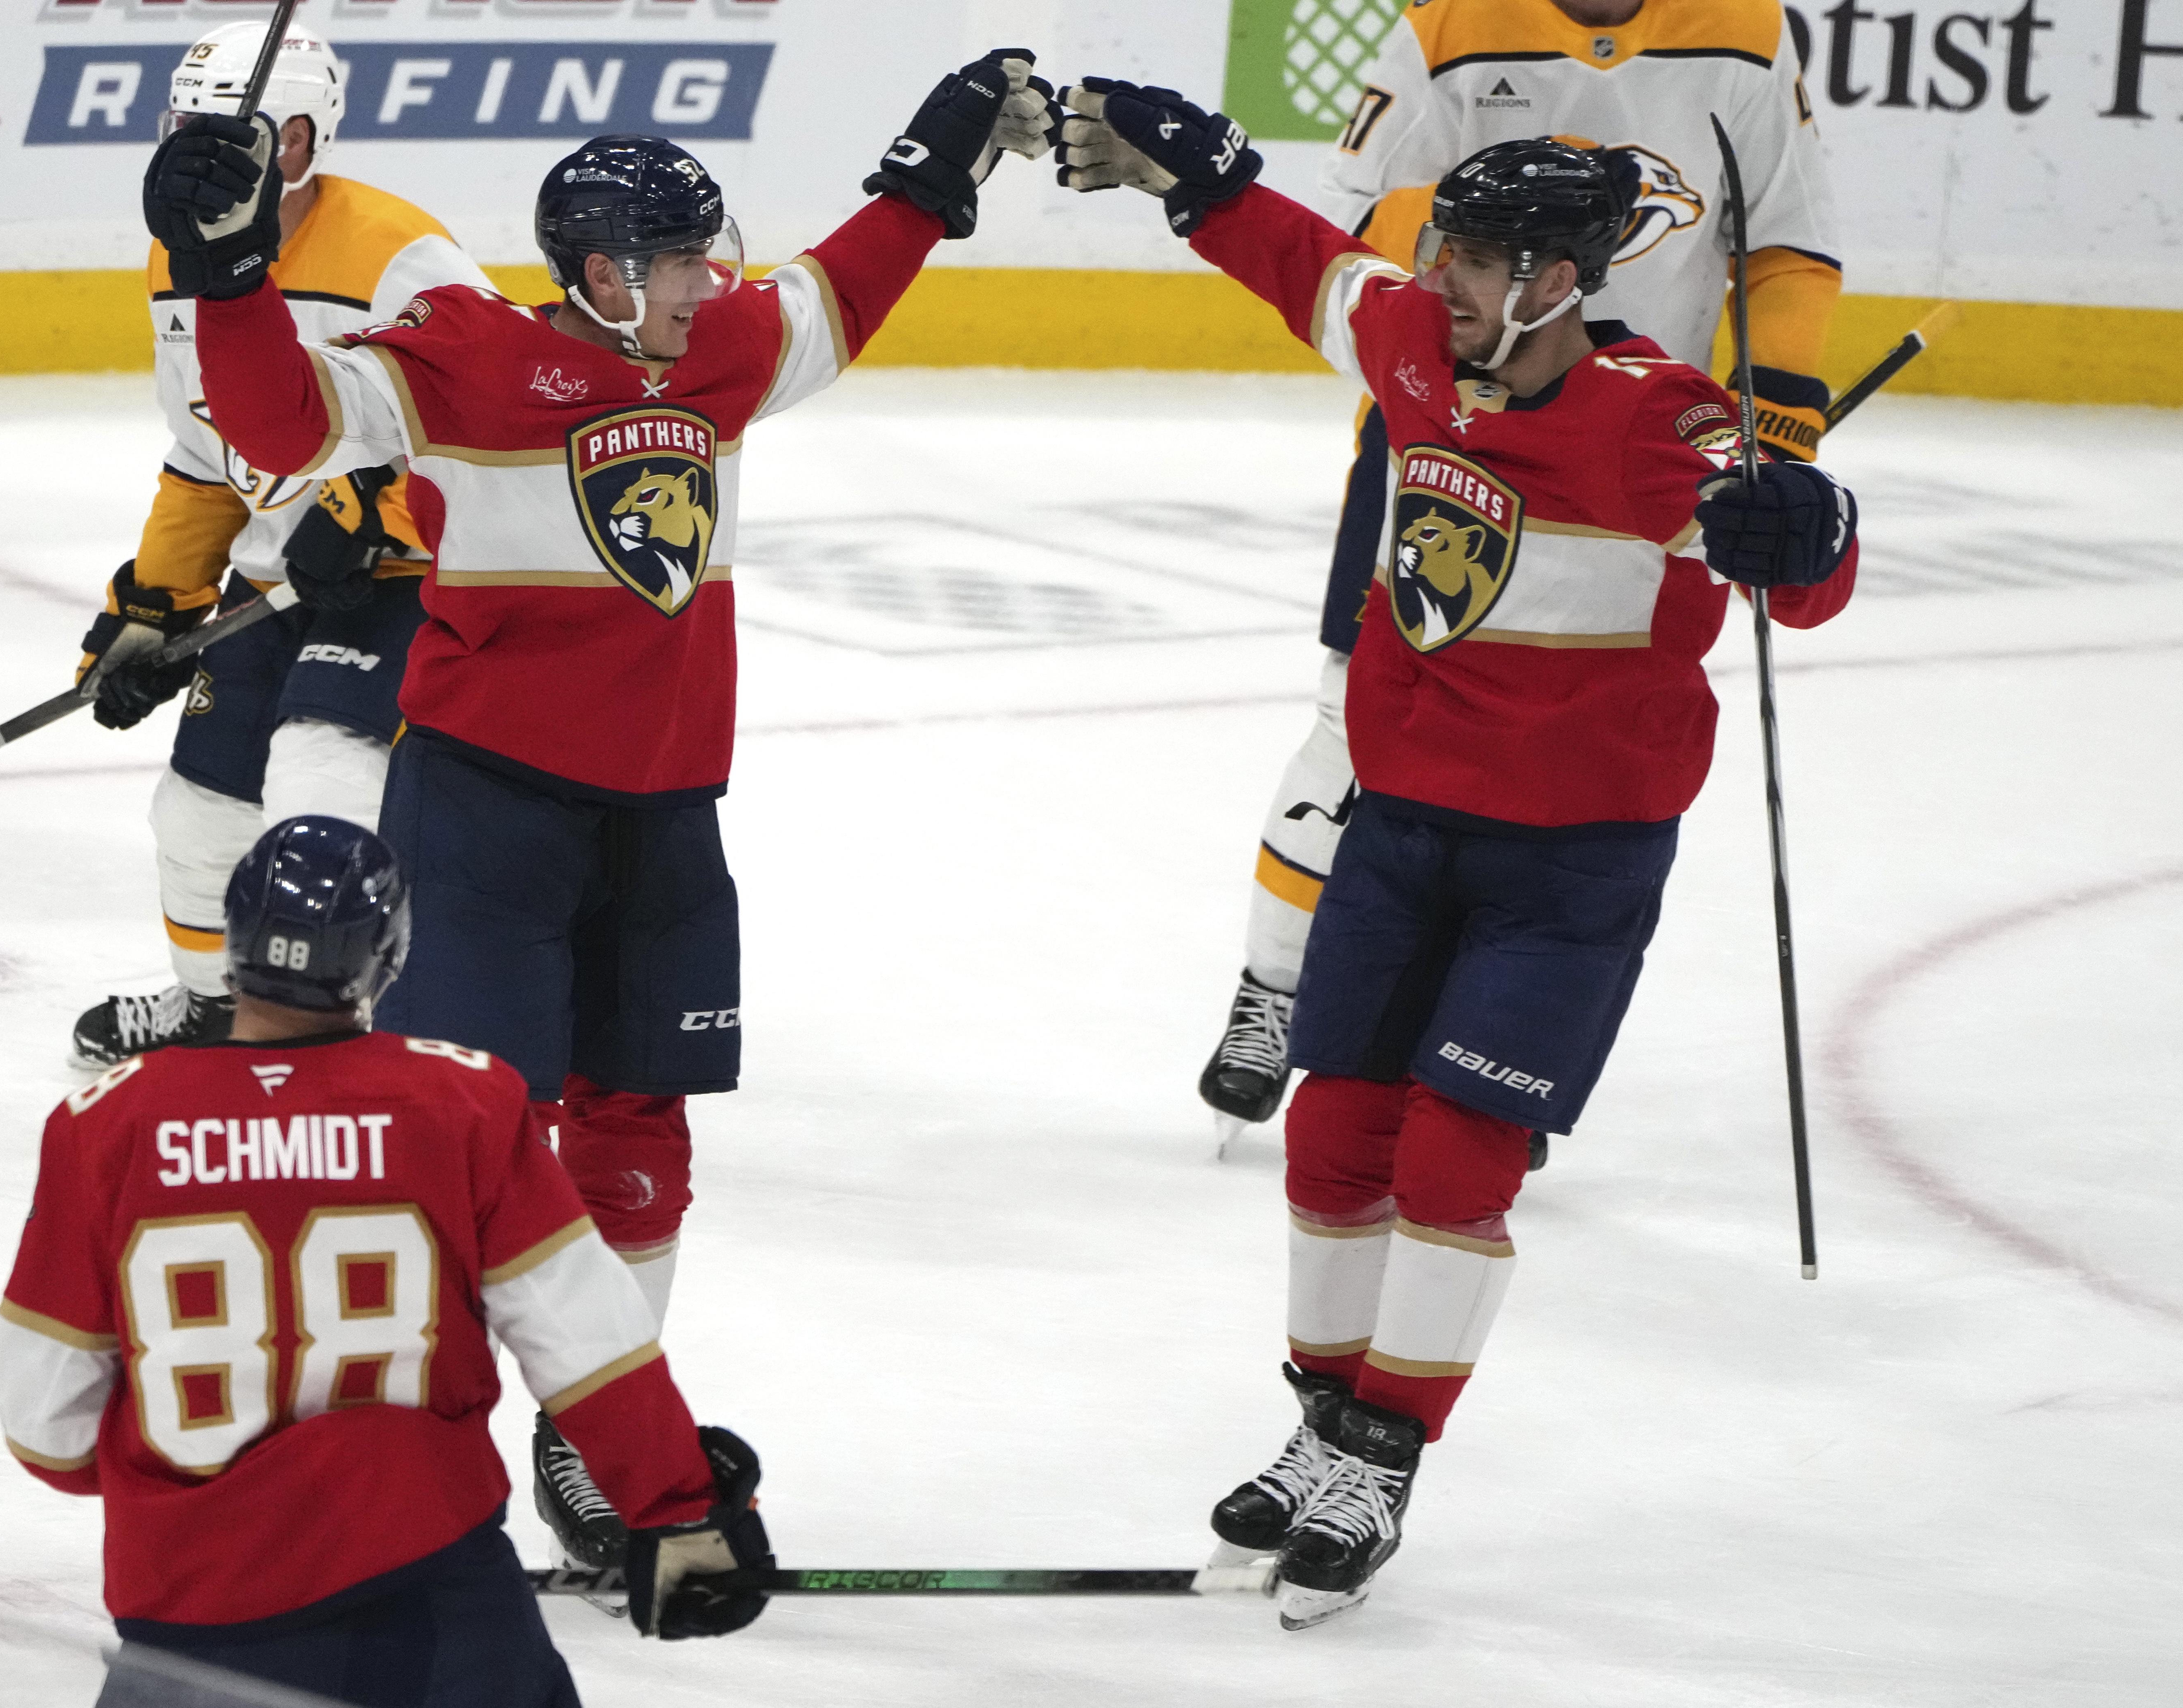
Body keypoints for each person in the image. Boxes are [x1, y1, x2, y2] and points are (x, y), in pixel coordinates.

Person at [139, 49, 1054, 1570]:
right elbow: (285, 429)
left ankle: (594, 1428)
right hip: (490, 813)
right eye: (687, 259)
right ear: (604, 273)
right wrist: (230, 275)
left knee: (642, 1132)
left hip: (668, 821)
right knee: (468, 1134)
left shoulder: (723, 354)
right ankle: (393, 1452)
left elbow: (847, 283)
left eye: (710, 254)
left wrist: (938, 157)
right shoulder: (470, 355)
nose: (717, 280)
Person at [1057, 95, 1859, 1627]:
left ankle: (1386, 1451)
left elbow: (1803, 569)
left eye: (1487, 261)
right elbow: (1301, 265)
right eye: (1452, 252)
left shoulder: (1657, 421)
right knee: (1333, 1141)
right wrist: (1196, 178)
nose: (1453, 281)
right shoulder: (1417, 342)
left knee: (1455, 1158)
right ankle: (1320, 1426)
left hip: (1568, 869)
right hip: (1400, 834)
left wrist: (1800, 526)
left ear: (1565, 277)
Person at [1194, 0, 1841, 1148]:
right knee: (1357, 728)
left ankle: (1474, 1049)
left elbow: (1783, 236)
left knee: (1559, 753)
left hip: (1639, 456)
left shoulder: (1746, 29)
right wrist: (1460, 359)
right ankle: (1274, 987)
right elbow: (1386, 217)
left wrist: (1772, 435)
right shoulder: (1454, 21)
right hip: (1443, 436)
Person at [0, 815, 772, 1708]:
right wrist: (675, 1508)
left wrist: (210, 1504)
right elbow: (587, 1344)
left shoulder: (105, 1125)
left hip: (189, 1614)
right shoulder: (462, 1102)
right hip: (433, 1602)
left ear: (234, 944)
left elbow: (43, 1427)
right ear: (387, 956)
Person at [67, 20, 493, 1071]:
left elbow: (498, 419)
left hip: (401, 586)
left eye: (247, 139)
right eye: (190, 132)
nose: (214, 162)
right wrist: (154, 606)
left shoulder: (402, 255)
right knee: (198, 815)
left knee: (320, 793)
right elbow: (206, 447)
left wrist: (384, 516)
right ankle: (216, 1011)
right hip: (272, 582)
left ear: (304, 140)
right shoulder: (177, 259)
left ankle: (332, 1038)